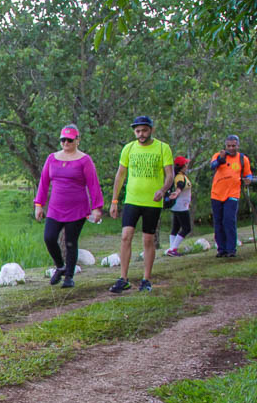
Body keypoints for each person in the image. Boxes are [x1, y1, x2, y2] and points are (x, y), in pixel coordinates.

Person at [108, 116, 174, 292]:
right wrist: (114, 200)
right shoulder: (129, 148)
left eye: (144, 130)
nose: (141, 134)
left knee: (148, 239)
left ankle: (146, 279)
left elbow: (170, 175)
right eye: (138, 131)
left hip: (152, 202)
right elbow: (120, 175)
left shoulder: (162, 148)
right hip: (132, 200)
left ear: (151, 130)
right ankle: (123, 278)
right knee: (125, 236)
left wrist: (163, 190)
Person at [33, 124, 103, 288]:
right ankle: (60, 266)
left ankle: (69, 277)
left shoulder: (84, 160)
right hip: (55, 208)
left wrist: (97, 207)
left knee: (71, 242)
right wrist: (39, 204)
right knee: (49, 237)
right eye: (63, 139)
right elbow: (44, 182)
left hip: (77, 208)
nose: (66, 143)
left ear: (77, 140)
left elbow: (93, 185)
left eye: (70, 140)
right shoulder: (52, 158)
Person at [209, 135, 252, 258]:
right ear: (225, 145)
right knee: (218, 222)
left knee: (229, 220)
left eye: (234, 146)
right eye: (229, 146)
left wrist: (248, 179)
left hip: (233, 193)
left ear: (238, 146)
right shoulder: (218, 155)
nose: (231, 148)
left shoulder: (243, 159)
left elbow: (248, 174)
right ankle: (221, 249)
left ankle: (231, 249)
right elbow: (212, 166)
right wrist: (220, 159)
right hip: (216, 194)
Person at [164, 156, 192, 256]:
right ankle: (173, 249)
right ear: (183, 166)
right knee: (186, 228)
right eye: (186, 164)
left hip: (177, 206)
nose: (187, 165)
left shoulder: (178, 175)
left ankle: (171, 249)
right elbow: (180, 186)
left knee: (176, 227)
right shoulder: (180, 177)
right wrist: (177, 192)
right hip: (181, 207)